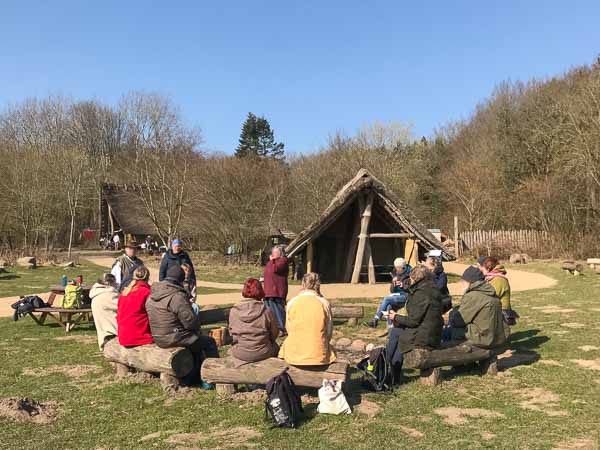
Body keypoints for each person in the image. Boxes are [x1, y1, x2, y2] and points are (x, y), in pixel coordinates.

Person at [146, 265, 219, 388]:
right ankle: (212, 379)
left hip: (159, 338)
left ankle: (192, 376)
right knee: (208, 342)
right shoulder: (176, 296)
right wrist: (196, 328)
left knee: (195, 343)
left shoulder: (152, 295)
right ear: (180, 279)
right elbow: (190, 321)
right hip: (175, 337)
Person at [385, 266, 444, 383]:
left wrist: (395, 316)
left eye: (410, 279)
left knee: (398, 334)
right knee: (398, 333)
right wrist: (406, 288)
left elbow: (413, 321)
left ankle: (387, 371)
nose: (409, 281)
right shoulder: (432, 288)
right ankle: (389, 371)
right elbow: (417, 296)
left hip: (426, 336)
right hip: (433, 331)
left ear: (415, 278)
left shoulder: (422, 293)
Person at [278, 272, 336, 366]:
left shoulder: (292, 302)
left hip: (294, 354)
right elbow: (329, 331)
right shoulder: (324, 303)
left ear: (303, 284)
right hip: (319, 355)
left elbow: (289, 329)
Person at [447, 266, 506, 349]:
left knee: (450, 331)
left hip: (483, 338)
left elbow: (459, 321)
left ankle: (459, 358)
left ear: (470, 282)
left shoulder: (472, 296)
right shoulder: (491, 292)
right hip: (496, 337)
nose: (461, 284)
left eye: (463, 281)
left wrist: (452, 316)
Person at [228, 278, 280, 364]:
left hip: (241, 352)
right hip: (263, 352)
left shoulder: (234, 311)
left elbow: (232, 334)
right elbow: (274, 333)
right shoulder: (266, 310)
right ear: (260, 290)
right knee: (277, 347)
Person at [368, 258, 412, 328]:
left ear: (403, 267)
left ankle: (376, 319)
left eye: (398, 268)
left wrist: (403, 285)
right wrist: (393, 284)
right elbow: (392, 291)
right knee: (389, 306)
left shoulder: (410, 274)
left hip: (405, 296)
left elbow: (411, 288)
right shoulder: (395, 274)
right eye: (396, 267)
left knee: (387, 299)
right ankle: (390, 328)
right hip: (396, 296)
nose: (397, 269)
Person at [117, 266, 153, 347]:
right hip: (139, 337)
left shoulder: (124, 292)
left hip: (123, 336)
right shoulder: (146, 292)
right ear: (148, 278)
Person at [263, 245, 289, 335]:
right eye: (273, 251)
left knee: (278, 311)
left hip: (277, 291)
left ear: (280, 253)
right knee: (269, 312)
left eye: (275, 251)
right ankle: (273, 329)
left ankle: (282, 328)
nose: (273, 253)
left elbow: (275, 269)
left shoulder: (283, 260)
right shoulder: (272, 261)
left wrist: (272, 260)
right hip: (268, 291)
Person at [90, 273, 119, 350]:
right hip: (111, 332)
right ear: (108, 283)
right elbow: (123, 306)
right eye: (114, 282)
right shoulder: (108, 295)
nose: (116, 284)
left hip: (104, 330)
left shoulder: (97, 293)